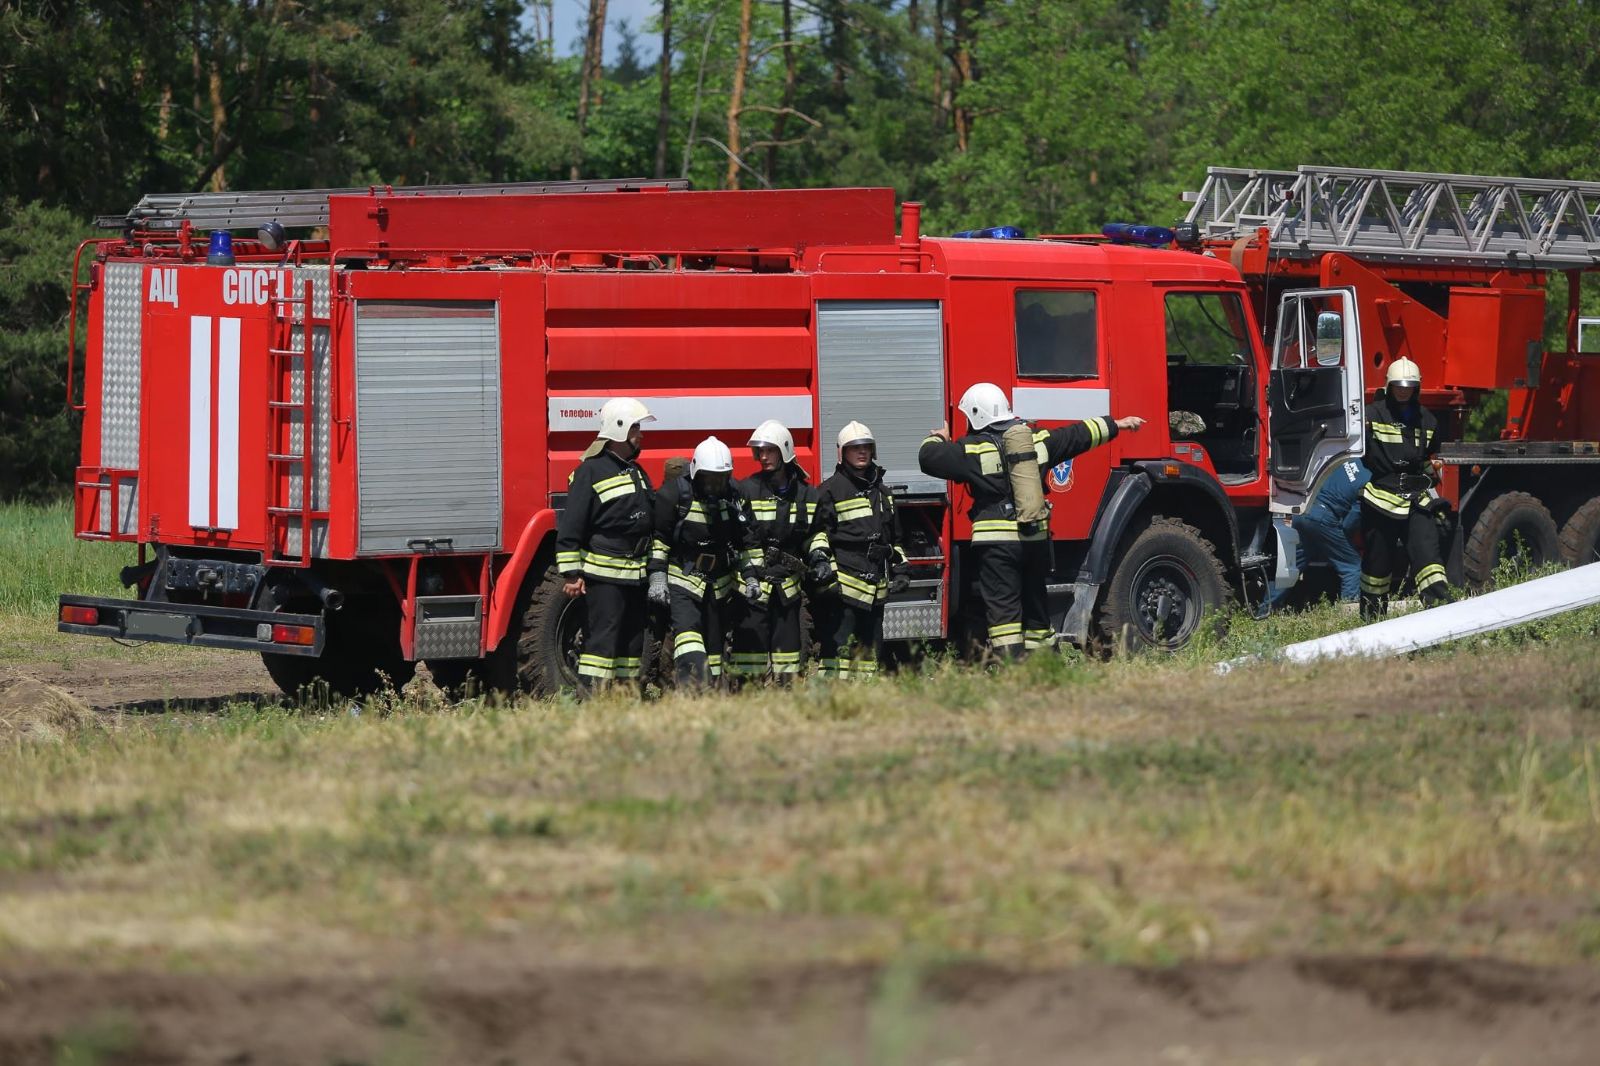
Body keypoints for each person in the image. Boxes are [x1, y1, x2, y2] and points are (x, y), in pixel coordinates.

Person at [919, 382, 1144, 658]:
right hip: (1034, 540)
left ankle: (1014, 672)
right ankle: (1047, 667)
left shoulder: (973, 450)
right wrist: (1116, 425)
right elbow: (1076, 436)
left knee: (1005, 618)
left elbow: (929, 458)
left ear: (976, 415)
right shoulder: (1036, 440)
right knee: (1037, 613)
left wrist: (938, 437)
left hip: (998, 546)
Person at [555, 397, 657, 696]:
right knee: (602, 642)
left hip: (635, 575)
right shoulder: (590, 471)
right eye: (637, 427)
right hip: (605, 575)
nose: (641, 434)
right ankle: (590, 701)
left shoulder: (635, 471)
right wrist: (571, 574)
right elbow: (572, 525)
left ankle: (624, 702)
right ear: (621, 428)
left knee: (631, 643)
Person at [650, 436, 762, 687]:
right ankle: (690, 696)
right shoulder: (674, 495)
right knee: (689, 641)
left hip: (720, 584)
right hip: (684, 580)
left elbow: (746, 541)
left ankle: (709, 700)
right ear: (696, 473)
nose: (715, 485)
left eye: (720, 479)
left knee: (714, 649)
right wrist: (657, 577)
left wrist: (752, 575)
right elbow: (660, 541)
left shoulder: (735, 495)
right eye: (709, 479)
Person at [807, 421, 908, 680]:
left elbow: (895, 538)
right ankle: (832, 696)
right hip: (845, 584)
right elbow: (818, 534)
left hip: (876, 585)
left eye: (866, 447)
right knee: (839, 646)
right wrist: (823, 566)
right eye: (855, 448)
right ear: (842, 453)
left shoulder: (883, 492)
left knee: (871, 647)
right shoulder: (829, 490)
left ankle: (866, 695)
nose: (861, 452)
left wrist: (901, 569)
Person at [1358, 357, 1454, 619]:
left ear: (1417, 388)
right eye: (1399, 385)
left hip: (1416, 501)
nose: (1403, 390)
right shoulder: (1371, 415)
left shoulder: (1428, 420)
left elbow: (1431, 458)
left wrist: (1431, 473)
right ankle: (1372, 622)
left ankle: (1443, 618)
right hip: (1380, 500)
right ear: (1389, 386)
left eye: (1409, 385)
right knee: (1376, 568)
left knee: (1429, 559)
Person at [729, 420, 816, 684]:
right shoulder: (746, 489)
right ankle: (747, 704)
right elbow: (739, 536)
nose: (763, 457)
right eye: (760, 451)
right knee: (748, 658)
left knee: (788, 658)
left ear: (785, 451)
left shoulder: (805, 494)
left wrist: (820, 556)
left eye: (770, 450)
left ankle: (785, 705)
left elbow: (814, 534)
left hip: (787, 591)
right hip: (752, 588)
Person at [1268, 457, 1370, 608]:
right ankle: (1349, 615)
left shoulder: (1349, 460)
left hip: (1300, 511)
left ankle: (1265, 610)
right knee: (1352, 567)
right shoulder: (1369, 479)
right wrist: (1339, 542)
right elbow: (1351, 521)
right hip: (1323, 518)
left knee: (1290, 569)